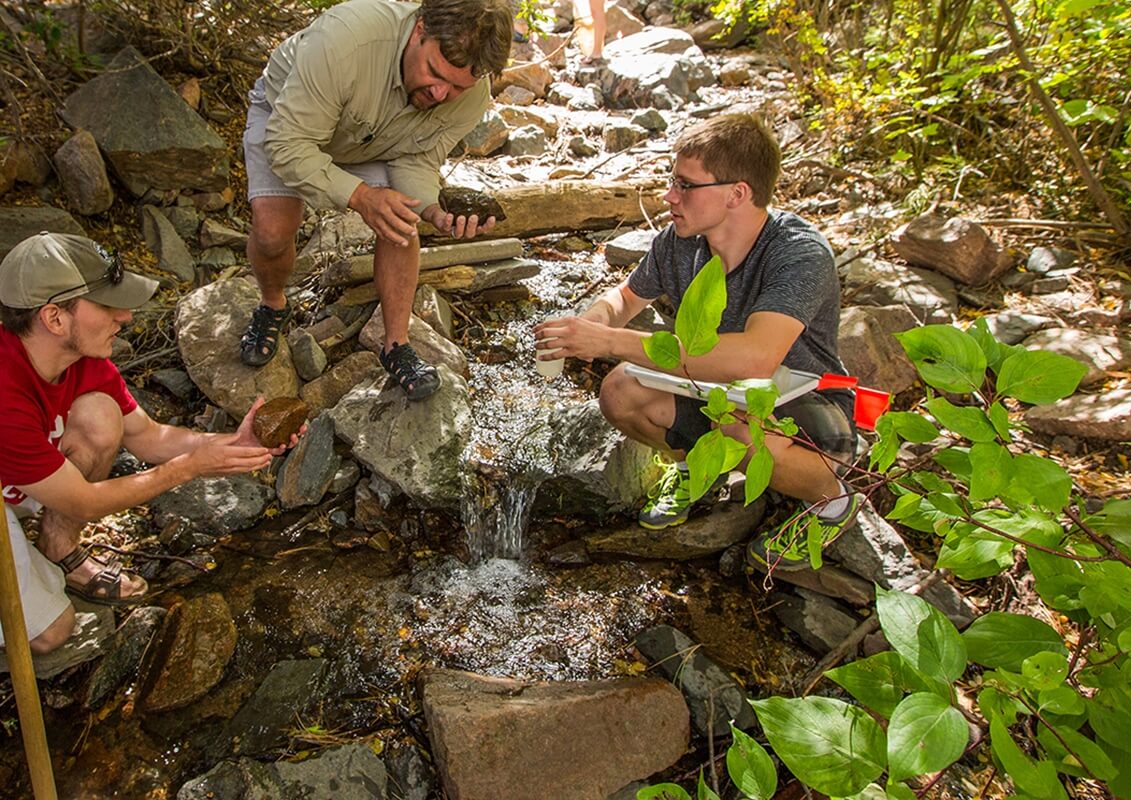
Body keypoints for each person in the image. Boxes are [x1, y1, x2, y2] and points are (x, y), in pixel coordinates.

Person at [533, 114, 859, 576]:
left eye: (685, 185)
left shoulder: (798, 253)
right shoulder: (681, 242)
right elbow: (624, 298)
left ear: (737, 193)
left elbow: (755, 356)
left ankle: (833, 502)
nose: (670, 197)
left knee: (740, 429)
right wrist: (584, 327)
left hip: (811, 407)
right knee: (620, 392)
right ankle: (696, 471)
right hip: (719, 395)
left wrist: (611, 341)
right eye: (672, 181)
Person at [0, 233, 299, 655]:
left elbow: (148, 436)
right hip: (18, 489)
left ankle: (57, 547)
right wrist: (191, 467)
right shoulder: (4, 395)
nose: (124, 316)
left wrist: (237, 441)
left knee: (101, 416)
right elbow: (83, 502)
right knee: (51, 633)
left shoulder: (84, 361)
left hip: (22, 482)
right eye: (107, 306)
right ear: (54, 318)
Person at [240, 0, 513, 400]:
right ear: (420, 29)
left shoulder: (472, 96)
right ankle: (273, 304)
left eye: (457, 88)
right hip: (290, 121)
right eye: (435, 74)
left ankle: (395, 345)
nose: (440, 94)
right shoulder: (344, 40)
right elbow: (287, 145)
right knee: (272, 233)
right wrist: (362, 196)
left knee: (402, 222)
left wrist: (433, 211)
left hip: (378, 139)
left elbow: (416, 159)